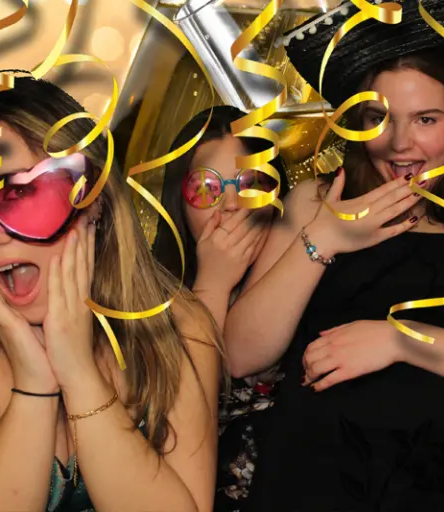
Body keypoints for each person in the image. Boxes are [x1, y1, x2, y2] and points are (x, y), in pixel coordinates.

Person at [225, 1, 444, 510]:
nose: (401, 144)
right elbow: (241, 354)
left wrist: (400, 340)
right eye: (379, 118)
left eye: (426, 119)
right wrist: (325, 239)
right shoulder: (319, 200)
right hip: (323, 480)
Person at [0, 72, 221, 512]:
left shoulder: (178, 328)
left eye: (16, 192)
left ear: (93, 197)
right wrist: (34, 388)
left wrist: (78, 372)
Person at [151, 105, 288, 511]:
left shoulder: (315, 277)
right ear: (178, 203)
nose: (230, 205)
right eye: (206, 188)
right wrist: (212, 283)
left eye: (251, 183)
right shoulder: (145, 308)